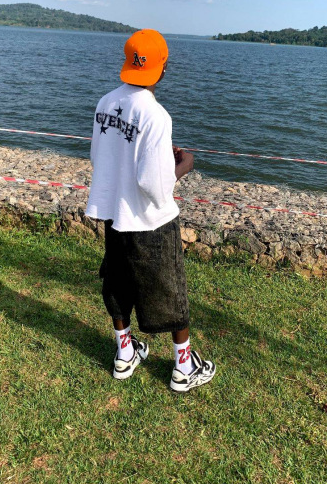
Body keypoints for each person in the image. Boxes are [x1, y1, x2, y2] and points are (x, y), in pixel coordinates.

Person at [86, 29, 216, 392]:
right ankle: (184, 367)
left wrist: (156, 158)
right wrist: (183, 165)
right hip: (150, 220)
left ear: (127, 62)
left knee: (117, 283)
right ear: (163, 67)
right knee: (170, 289)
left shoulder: (105, 103)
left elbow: (101, 156)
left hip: (115, 213)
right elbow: (155, 186)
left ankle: (125, 352)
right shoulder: (156, 115)